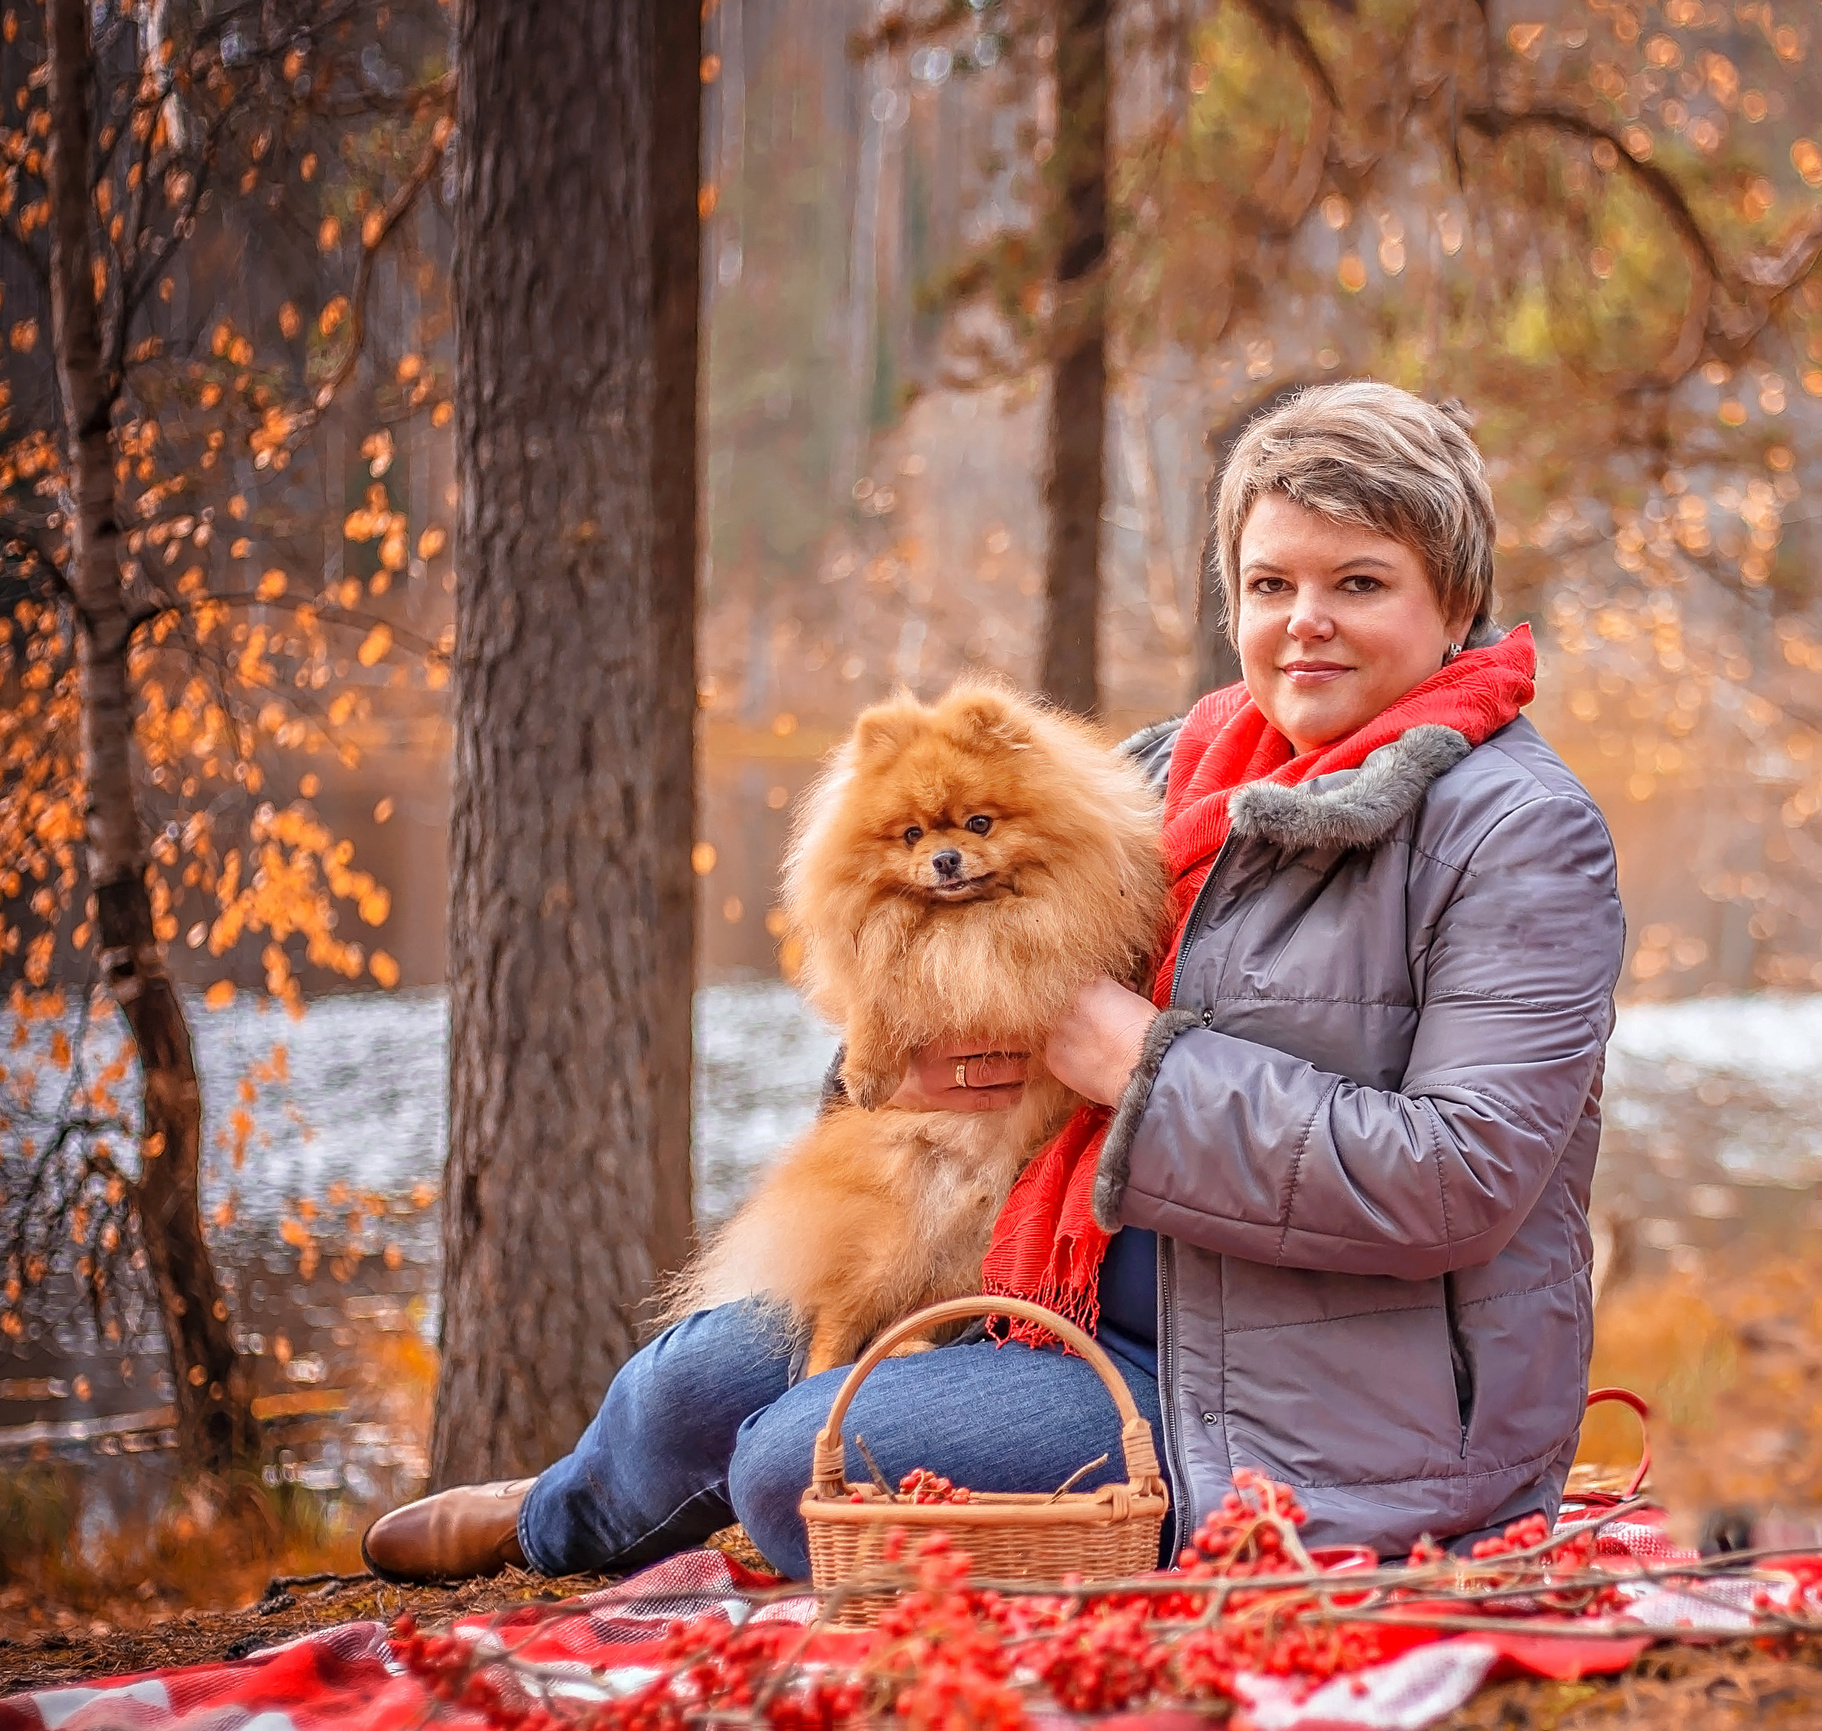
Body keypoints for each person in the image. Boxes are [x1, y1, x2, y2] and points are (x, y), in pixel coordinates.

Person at [361, 381, 1625, 1580]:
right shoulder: (1162, 776)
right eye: (1269, 582)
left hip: (1319, 1415)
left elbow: (1456, 1183)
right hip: (1040, 1286)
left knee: (800, 1463)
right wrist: (913, 1062)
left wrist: (1136, 1063)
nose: (1305, 618)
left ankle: (1100, 1524)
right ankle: (553, 1522)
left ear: (1454, 603)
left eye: (1359, 582)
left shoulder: (1515, 832)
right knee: (692, 1380)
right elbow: (912, 981)